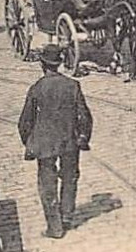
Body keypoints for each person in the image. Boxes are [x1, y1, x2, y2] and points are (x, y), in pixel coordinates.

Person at [18, 42, 93, 239]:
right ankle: (67, 216)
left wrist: (30, 142)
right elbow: (84, 116)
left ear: (43, 65)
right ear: (59, 64)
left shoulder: (36, 89)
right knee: (69, 178)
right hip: (69, 141)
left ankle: (55, 227)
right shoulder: (72, 85)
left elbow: (25, 122)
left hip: (45, 144)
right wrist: (83, 137)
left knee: (47, 184)